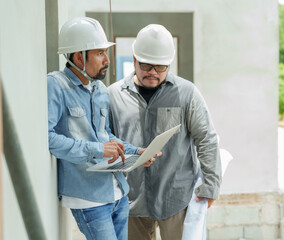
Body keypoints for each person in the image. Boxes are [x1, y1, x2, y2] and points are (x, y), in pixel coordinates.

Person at [108, 24, 222, 240]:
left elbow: (207, 139)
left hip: (176, 199)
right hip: (131, 200)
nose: (153, 72)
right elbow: (106, 143)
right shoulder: (114, 95)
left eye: (160, 67)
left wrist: (211, 185)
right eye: (146, 66)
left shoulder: (187, 94)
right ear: (134, 59)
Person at [47, 17, 156, 240]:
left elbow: (106, 137)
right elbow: (48, 139)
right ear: (79, 56)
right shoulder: (55, 86)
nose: (107, 60)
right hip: (88, 199)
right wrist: (98, 150)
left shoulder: (100, 89)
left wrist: (136, 153)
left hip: (118, 193)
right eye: (99, 53)